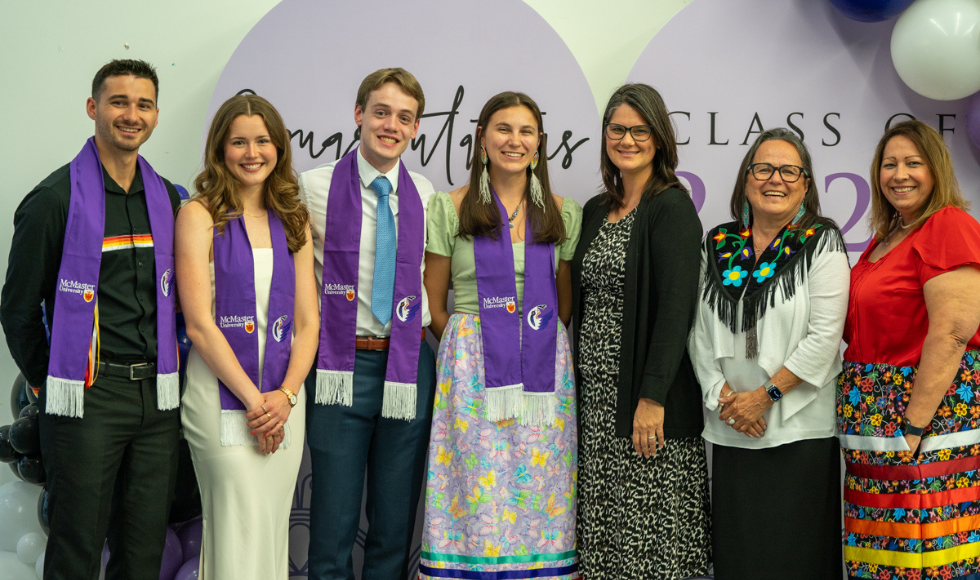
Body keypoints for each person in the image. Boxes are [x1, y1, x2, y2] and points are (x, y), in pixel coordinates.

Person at [0, 59, 181, 580]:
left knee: (142, 555)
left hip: (157, 399)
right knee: (76, 553)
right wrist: (54, 382)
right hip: (87, 399)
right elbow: (16, 310)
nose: (131, 114)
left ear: (155, 114)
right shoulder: (54, 200)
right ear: (92, 108)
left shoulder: (167, 198)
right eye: (118, 102)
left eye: (143, 104)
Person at [419, 91, 581, 579]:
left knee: (540, 486)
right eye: (503, 129)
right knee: (474, 487)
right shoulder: (450, 208)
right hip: (472, 367)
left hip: (542, 368)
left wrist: (529, 342)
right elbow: (433, 302)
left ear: (539, 144)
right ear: (482, 139)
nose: (514, 140)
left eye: (526, 131)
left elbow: (564, 300)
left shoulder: (562, 212)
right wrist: (473, 343)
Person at [690, 128, 849, 579]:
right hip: (735, 426)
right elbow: (697, 331)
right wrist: (723, 396)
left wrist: (765, 396)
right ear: (746, 180)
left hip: (799, 430)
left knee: (795, 557)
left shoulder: (821, 240)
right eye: (762, 169)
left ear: (805, 184)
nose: (773, 179)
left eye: (788, 171)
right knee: (741, 557)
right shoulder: (718, 243)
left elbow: (824, 337)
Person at [299, 67, 437, 580]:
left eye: (404, 117)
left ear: (416, 128)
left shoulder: (424, 193)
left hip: (408, 363)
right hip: (340, 363)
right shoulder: (311, 187)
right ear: (359, 114)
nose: (391, 125)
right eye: (381, 112)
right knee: (332, 520)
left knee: (395, 521)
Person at [175, 94, 317, 579]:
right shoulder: (198, 215)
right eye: (239, 141)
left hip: (283, 405)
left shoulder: (293, 217)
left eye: (262, 140)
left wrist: (286, 396)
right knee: (237, 526)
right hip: (221, 400)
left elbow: (307, 323)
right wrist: (257, 401)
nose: (252, 152)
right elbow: (198, 324)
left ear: (278, 147)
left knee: (271, 528)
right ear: (221, 148)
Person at [570, 83, 709, 579]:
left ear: (660, 138)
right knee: (606, 543)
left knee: (651, 546)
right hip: (597, 401)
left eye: (639, 130)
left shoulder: (671, 207)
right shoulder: (593, 210)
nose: (627, 139)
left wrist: (651, 398)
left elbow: (677, 310)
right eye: (617, 129)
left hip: (647, 401)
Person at [838, 120, 980, 580]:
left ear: (935, 170)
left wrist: (914, 426)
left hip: (925, 416)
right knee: (883, 559)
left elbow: (953, 333)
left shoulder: (949, 225)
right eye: (890, 163)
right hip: (874, 423)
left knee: (933, 558)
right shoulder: (884, 240)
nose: (900, 174)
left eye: (913, 163)